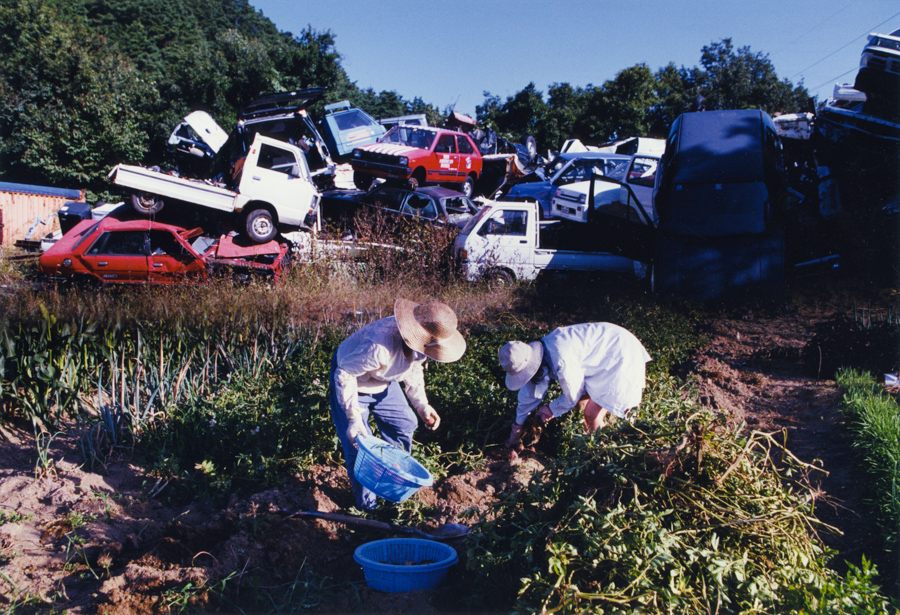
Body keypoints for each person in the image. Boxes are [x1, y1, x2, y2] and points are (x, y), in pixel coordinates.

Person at [329, 298, 466, 510]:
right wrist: (353, 418)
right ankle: (368, 507)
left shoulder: (421, 342)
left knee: (405, 423)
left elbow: (413, 368)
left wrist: (422, 405)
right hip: (352, 380)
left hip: (383, 379)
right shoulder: (379, 347)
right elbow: (344, 374)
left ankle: (391, 484)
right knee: (358, 444)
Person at [498, 322, 651, 448]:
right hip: (605, 352)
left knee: (591, 414)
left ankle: (608, 452)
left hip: (619, 353)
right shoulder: (543, 352)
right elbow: (529, 393)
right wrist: (517, 426)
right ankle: (592, 441)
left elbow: (572, 395)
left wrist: (551, 409)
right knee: (581, 406)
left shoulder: (561, 358)